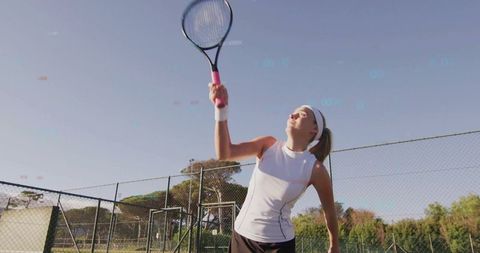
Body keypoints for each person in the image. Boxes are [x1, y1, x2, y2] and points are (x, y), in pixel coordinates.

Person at [209, 83, 340, 253]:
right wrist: (221, 110)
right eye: (293, 112)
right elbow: (224, 153)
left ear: (314, 130)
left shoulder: (315, 169)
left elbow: (329, 211)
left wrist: (334, 246)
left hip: (279, 246)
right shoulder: (267, 145)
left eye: (302, 114)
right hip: (241, 238)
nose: (292, 114)